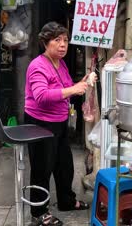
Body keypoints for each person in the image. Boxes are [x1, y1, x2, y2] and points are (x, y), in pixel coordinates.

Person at [24, 22, 93, 225]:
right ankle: (38, 213)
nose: (63, 45)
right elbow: (41, 96)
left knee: (64, 165)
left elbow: (65, 86)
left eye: (65, 40)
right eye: (57, 40)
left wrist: (82, 82)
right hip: (40, 123)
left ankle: (66, 201)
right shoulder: (37, 65)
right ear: (46, 42)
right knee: (41, 168)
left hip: (59, 122)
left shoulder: (60, 63)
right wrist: (73, 90)